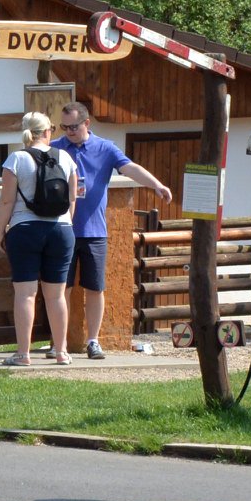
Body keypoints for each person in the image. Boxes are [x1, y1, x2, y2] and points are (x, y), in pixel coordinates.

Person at [51, 101, 172, 359]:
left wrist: (156, 185)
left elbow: (131, 168)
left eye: (73, 127)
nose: (69, 132)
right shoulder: (56, 148)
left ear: (86, 124)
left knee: (95, 288)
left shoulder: (105, 148)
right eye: (64, 127)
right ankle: (58, 343)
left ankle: (93, 341)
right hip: (62, 230)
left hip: (94, 231)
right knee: (61, 288)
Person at [0, 111, 79, 366]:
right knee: (56, 295)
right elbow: (72, 199)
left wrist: (0, 231)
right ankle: (62, 352)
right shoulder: (65, 157)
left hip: (25, 228)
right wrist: (67, 226)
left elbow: (7, 199)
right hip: (62, 230)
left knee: (25, 294)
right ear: (47, 132)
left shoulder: (16, 158)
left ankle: (23, 354)